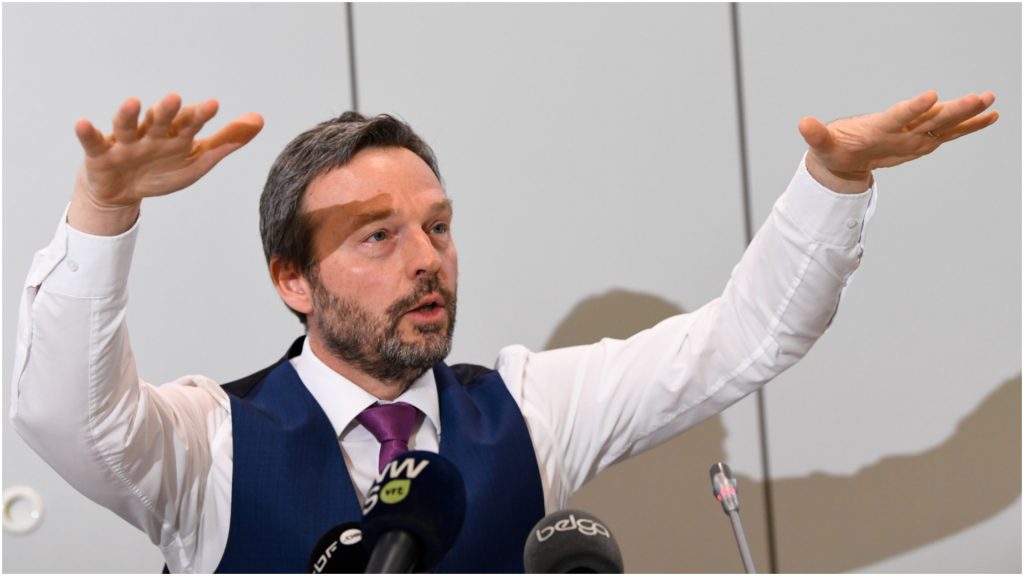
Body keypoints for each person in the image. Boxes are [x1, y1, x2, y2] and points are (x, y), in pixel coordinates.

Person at [11, 91, 997, 573]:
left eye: (437, 227)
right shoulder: (207, 443)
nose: (427, 259)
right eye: (378, 236)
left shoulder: (528, 407)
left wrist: (834, 182)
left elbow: (744, 338)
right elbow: (64, 415)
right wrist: (104, 209)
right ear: (291, 279)